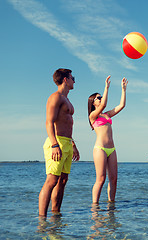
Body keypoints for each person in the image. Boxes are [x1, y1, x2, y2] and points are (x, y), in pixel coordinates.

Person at [39, 68, 80, 217]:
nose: (73, 80)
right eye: (72, 77)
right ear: (65, 79)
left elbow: (67, 124)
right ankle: (42, 220)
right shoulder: (55, 97)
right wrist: (55, 144)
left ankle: (56, 215)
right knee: (51, 180)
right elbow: (49, 122)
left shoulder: (67, 100)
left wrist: (73, 145)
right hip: (57, 143)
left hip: (67, 143)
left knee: (63, 180)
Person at [88, 75, 128, 204]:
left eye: (100, 97)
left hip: (112, 149)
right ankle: (95, 206)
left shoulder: (106, 115)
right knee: (101, 179)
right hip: (100, 149)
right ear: (93, 102)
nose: (101, 99)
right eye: (98, 98)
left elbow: (121, 106)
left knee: (114, 179)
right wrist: (106, 87)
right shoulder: (93, 116)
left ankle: (111, 205)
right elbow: (104, 104)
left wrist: (123, 89)